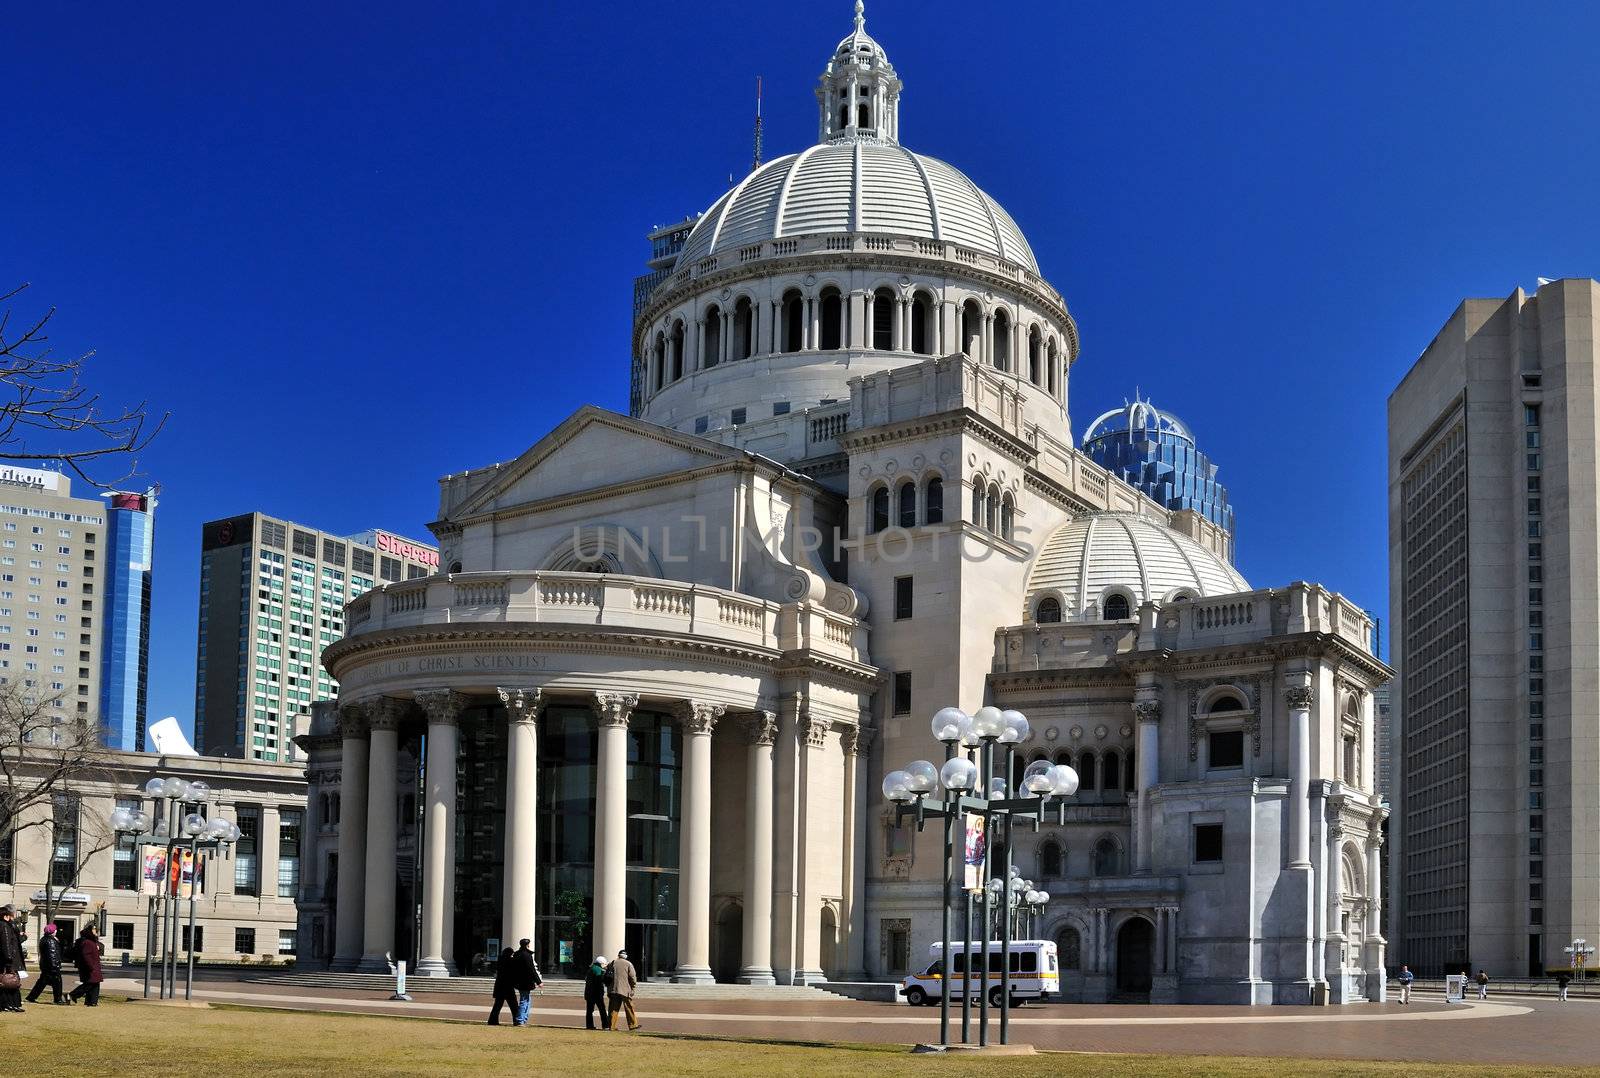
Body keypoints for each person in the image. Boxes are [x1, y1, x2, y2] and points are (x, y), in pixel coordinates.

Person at [26, 924, 64, 1005]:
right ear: (53, 931)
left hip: (46, 965)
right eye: (55, 930)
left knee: (42, 982)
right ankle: (58, 999)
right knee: (57, 983)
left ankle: (31, 997)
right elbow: (52, 954)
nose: (56, 931)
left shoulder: (44, 939)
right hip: (52, 966)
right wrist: (55, 966)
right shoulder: (51, 941)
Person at [67, 924, 104, 1006]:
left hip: (94, 966)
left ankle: (92, 1002)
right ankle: (73, 995)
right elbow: (85, 955)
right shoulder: (87, 942)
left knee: (95, 983)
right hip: (90, 967)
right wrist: (90, 966)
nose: (96, 931)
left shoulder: (92, 942)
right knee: (90, 984)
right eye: (94, 929)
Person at [0, 904, 25, 1013]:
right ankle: (9, 1004)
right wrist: (9, 958)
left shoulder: (8, 925)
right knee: (9, 981)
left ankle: (11, 1004)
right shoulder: (4, 926)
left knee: (10, 981)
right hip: (8, 959)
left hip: (10, 958)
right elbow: (6, 943)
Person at [607, 948, 639, 1032]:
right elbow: (633, 977)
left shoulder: (611, 963)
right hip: (625, 989)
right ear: (626, 956)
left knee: (613, 1008)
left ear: (618, 955)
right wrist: (633, 988)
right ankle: (632, 1025)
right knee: (629, 1007)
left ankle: (612, 1026)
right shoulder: (628, 964)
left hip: (613, 989)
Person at [511, 938, 541, 1027]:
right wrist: (539, 981)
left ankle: (523, 1019)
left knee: (527, 1000)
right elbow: (531, 970)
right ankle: (520, 1020)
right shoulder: (527, 955)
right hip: (525, 981)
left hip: (519, 981)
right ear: (528, 945)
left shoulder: (517, 954)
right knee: (524, 1000)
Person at [486, 947, 518, 1025]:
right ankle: (516, 1020)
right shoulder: (511, 961)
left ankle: (492, 1020)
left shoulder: (500, 960)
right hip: (508, 986)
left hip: (500, 986)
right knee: (514, 1005)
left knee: (497, 1005)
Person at [584, 956, 610, 1030]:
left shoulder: (591, 968)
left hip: (589, 993)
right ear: (601, 963)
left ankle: (589, 1025)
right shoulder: (598, 970)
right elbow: (599, 982)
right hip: (596, 994)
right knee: (602, 1010)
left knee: (589, 1011)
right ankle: (605, 1025)